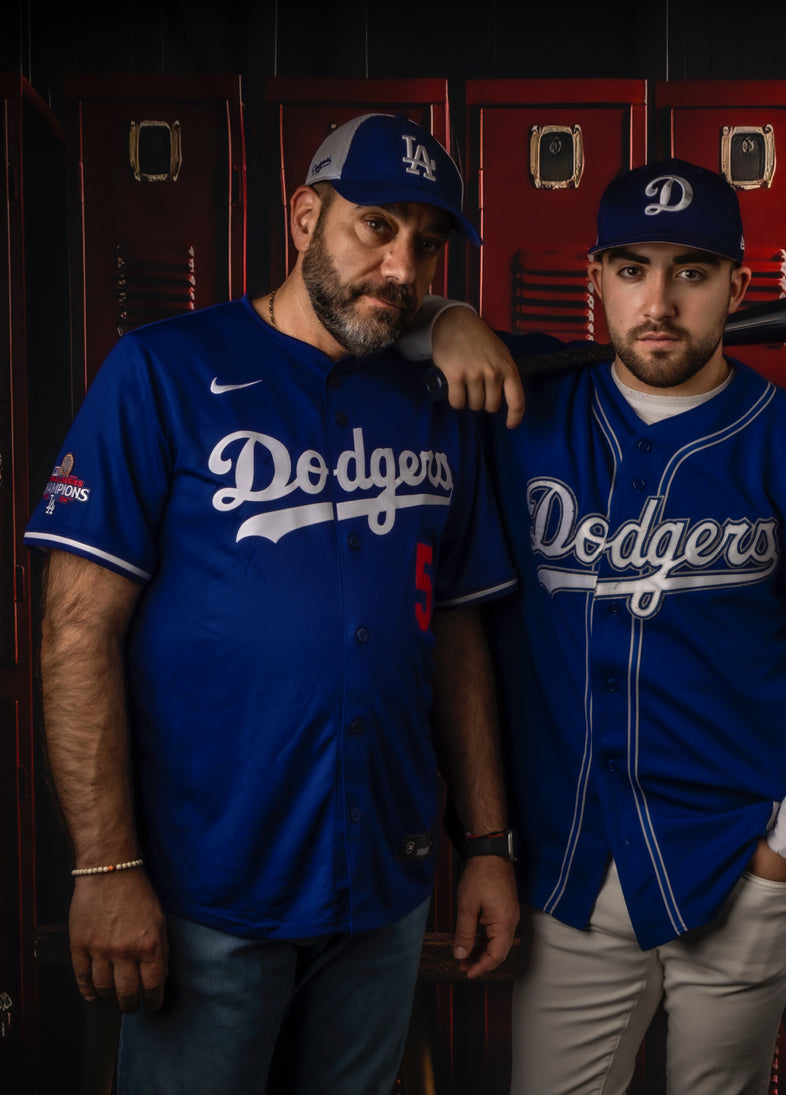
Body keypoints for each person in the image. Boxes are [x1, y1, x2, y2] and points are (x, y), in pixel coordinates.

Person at [26, 113, 522, 1095]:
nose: (399, 264)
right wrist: (104, 867)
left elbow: (457, 635)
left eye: (425, 244)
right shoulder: (162, 372)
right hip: (208, 896)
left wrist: (488, 843)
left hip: (381, 891)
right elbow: (76, 629)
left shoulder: (434, 398)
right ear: (303, 216)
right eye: (374, 226)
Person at [416, 158, 786, 1093]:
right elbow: (370, 320)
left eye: (691, 271)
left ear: (737, 284)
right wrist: (448, 319)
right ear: (596, 280)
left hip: (738, 861)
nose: (658, 299)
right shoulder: (524, 411)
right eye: (631, 268)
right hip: (570, 859)